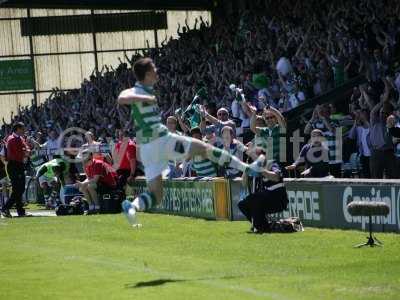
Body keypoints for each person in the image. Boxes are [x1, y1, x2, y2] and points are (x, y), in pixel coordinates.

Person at [117, 58, 265, 225]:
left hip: (149, 149)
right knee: (204, 148)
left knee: (157, 195)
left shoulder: (146, 90)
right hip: (161, 141)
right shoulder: (140, 90)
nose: (157, 71)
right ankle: (248, 168)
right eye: (154, 68)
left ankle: (132, 206)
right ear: (147, 73)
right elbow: (123, 97)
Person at [238, 160, 288, 233]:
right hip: (265, 199)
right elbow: (244, 183)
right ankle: (261, 226)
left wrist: (261, 170)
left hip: (278, 199)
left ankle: (262, 228)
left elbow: (276, 177)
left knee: (255, 199)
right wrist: (246, 169)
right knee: (242, 204)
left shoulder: (271, 163)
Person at [75, 149, 118, 214]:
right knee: (82, 188)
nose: (83, 160)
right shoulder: (87, 166)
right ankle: (91, 207)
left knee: (90, 186)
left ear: (91, 156)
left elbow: (95, 180)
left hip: (109, 185)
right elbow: (89, 178)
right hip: (99, 183)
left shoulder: (98, 163)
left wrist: (83, 183)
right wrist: (82, 184)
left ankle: (97, 207)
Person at [1, 122, 30, 218]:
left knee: (19, 189)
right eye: (22, 128)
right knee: (19, 189)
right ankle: (6, 208)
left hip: (18, 164)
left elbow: (26, 148)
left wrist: (26, 151)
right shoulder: (12, 139)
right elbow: (19, 153)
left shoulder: (18, 138)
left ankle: (19, 211)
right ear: (18, 129)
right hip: (14, 165)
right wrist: (25, 153)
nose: (24, 130)